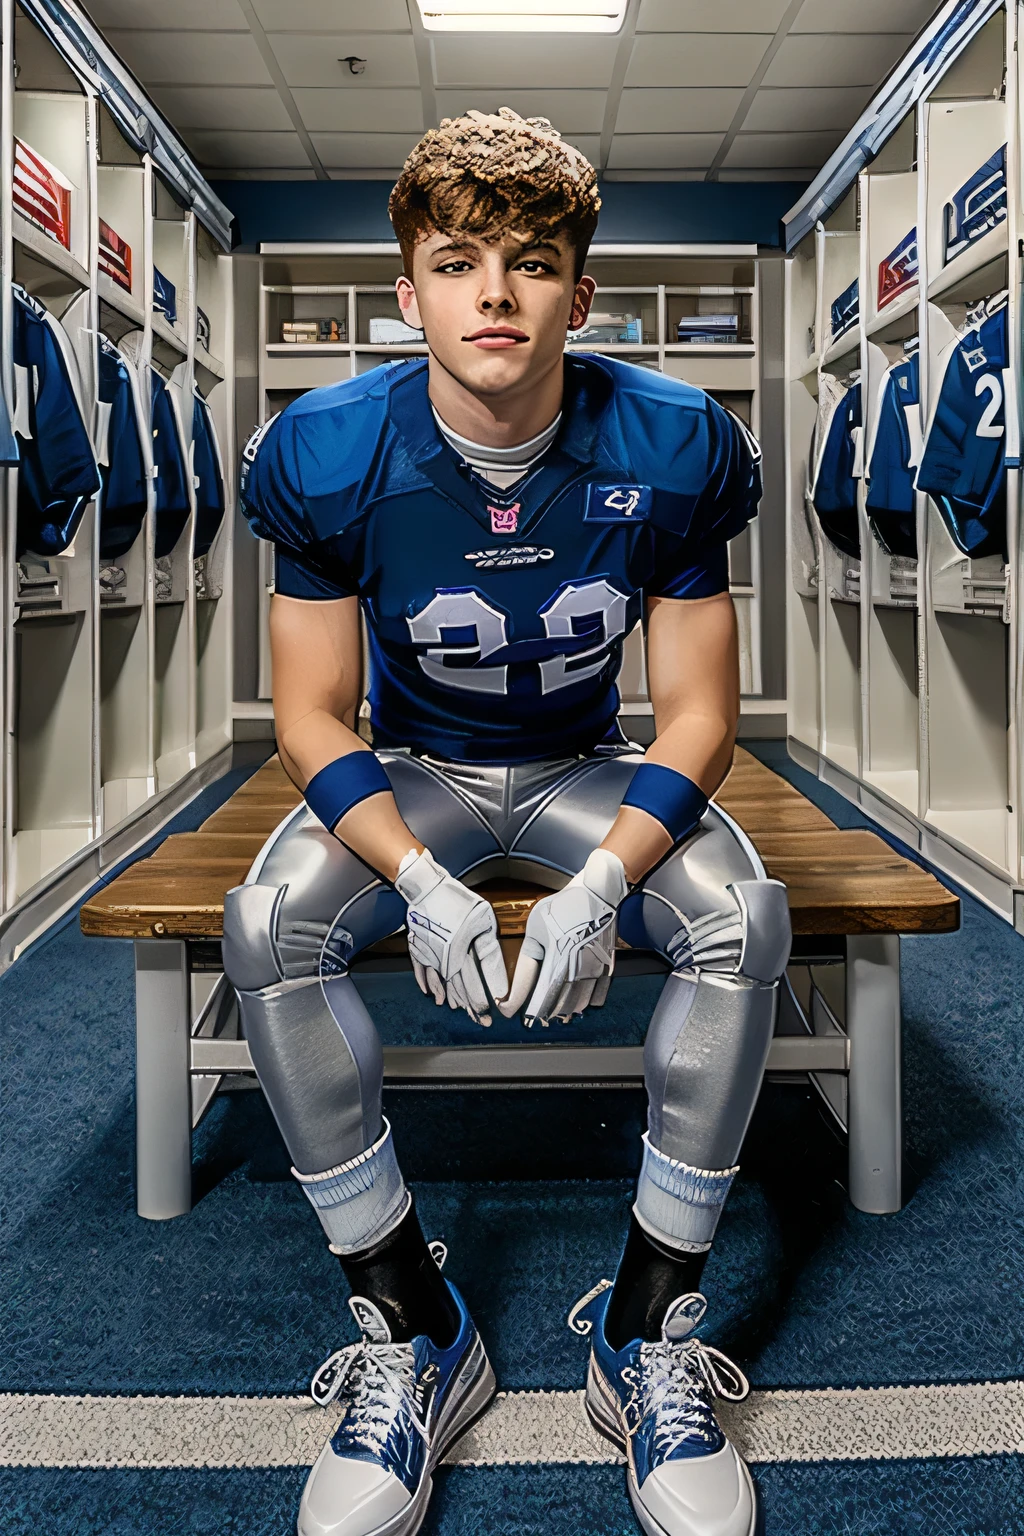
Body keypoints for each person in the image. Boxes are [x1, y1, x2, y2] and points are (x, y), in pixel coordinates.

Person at [225, 107, 791, 1536]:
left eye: (532, 264)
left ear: (580, 295)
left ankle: (649, 1334)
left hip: (579, 763)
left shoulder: (668, 438)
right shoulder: (330, 446)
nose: (494, 292)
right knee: (264, 923)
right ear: (404, 289)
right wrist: (416, 873)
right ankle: (412, 1323)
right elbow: (311, 716)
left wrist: (604, 878)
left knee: (746, 914)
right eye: (457, 260)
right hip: (417, 764)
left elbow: (703, 716)